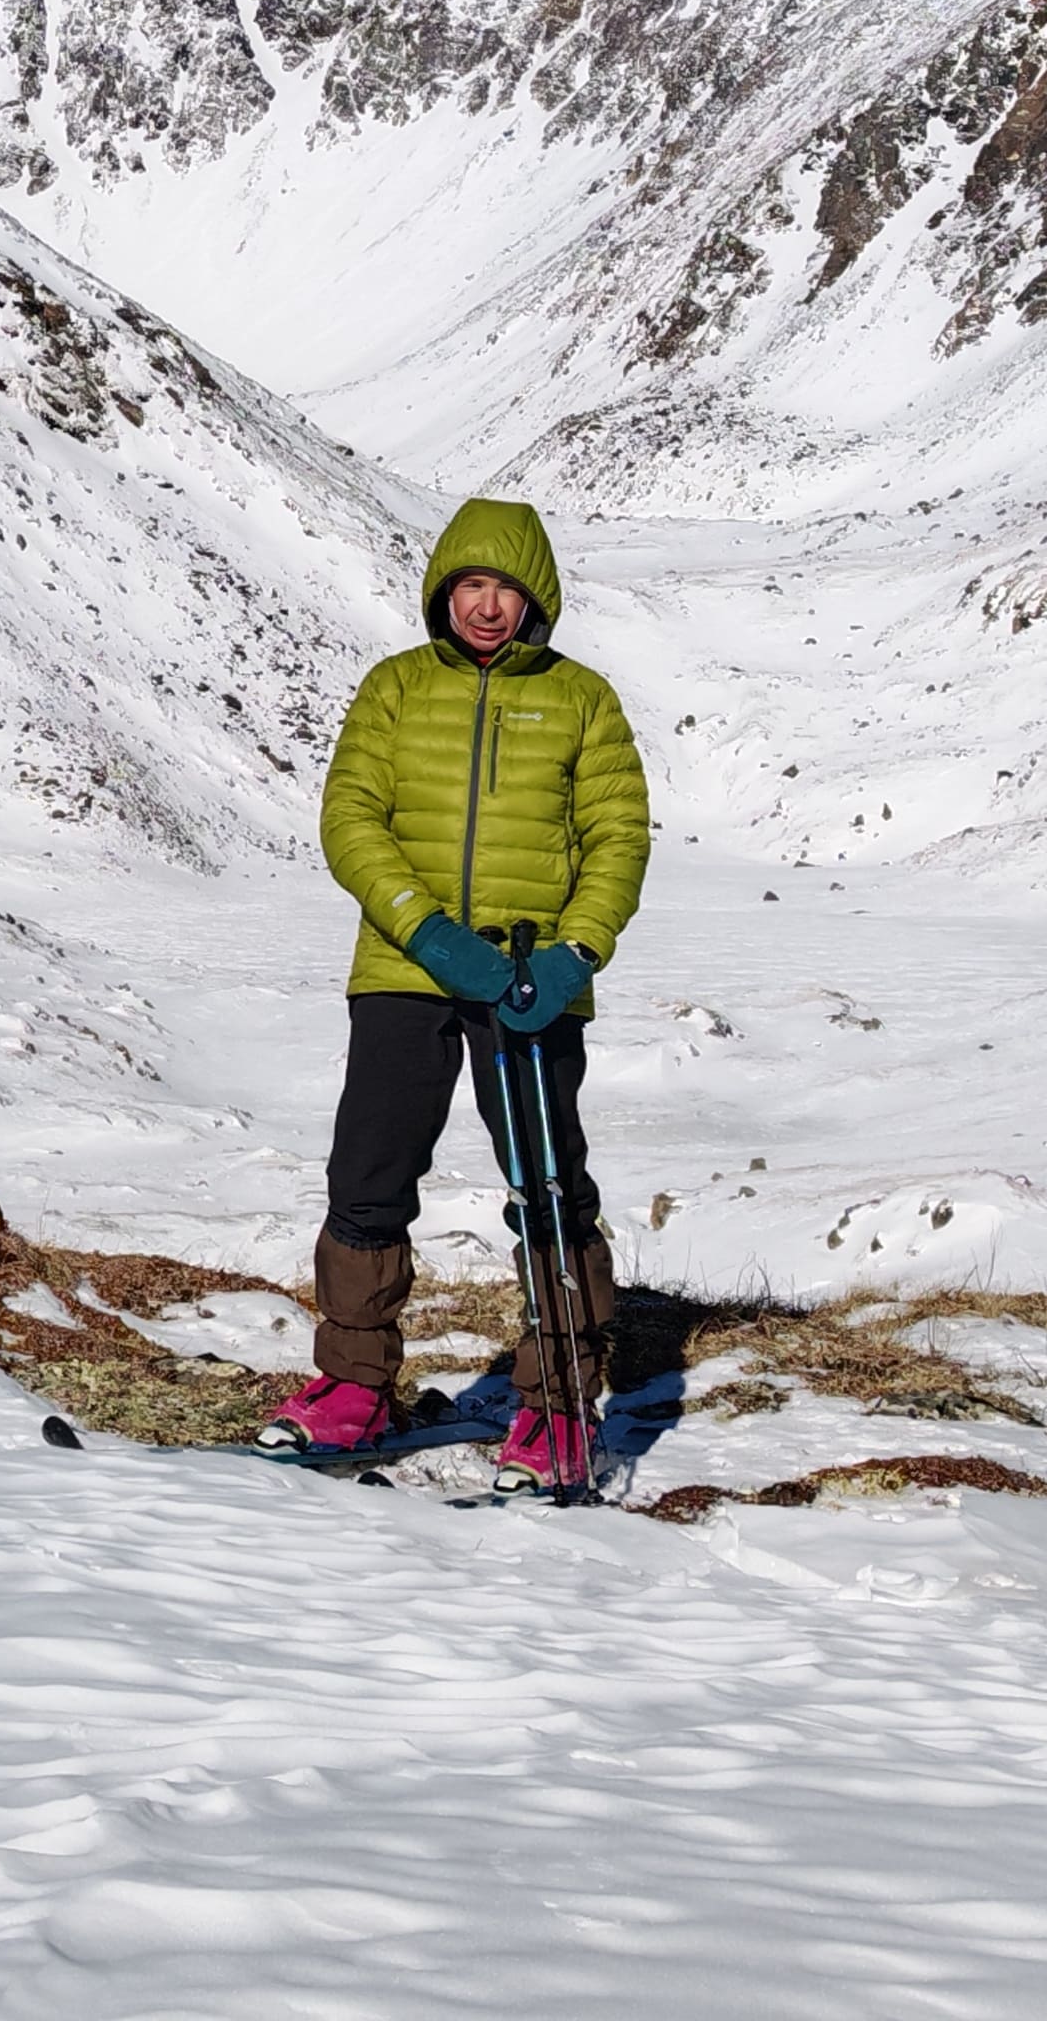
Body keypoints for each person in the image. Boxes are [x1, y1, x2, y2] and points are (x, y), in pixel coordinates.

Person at [268, 497, 653, 1489]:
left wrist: (574, 953)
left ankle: (559, 1405)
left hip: (532, 980)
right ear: (443, 592)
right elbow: (351, 819)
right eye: (471, 586)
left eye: (506, 590)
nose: (487, 607)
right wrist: (428, 931)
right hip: (404, 971)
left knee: (548, 1186)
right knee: (368, 1175)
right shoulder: (395, 688)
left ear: (537, 601)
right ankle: (352, 1388)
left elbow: (617, 838)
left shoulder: (583, 700)